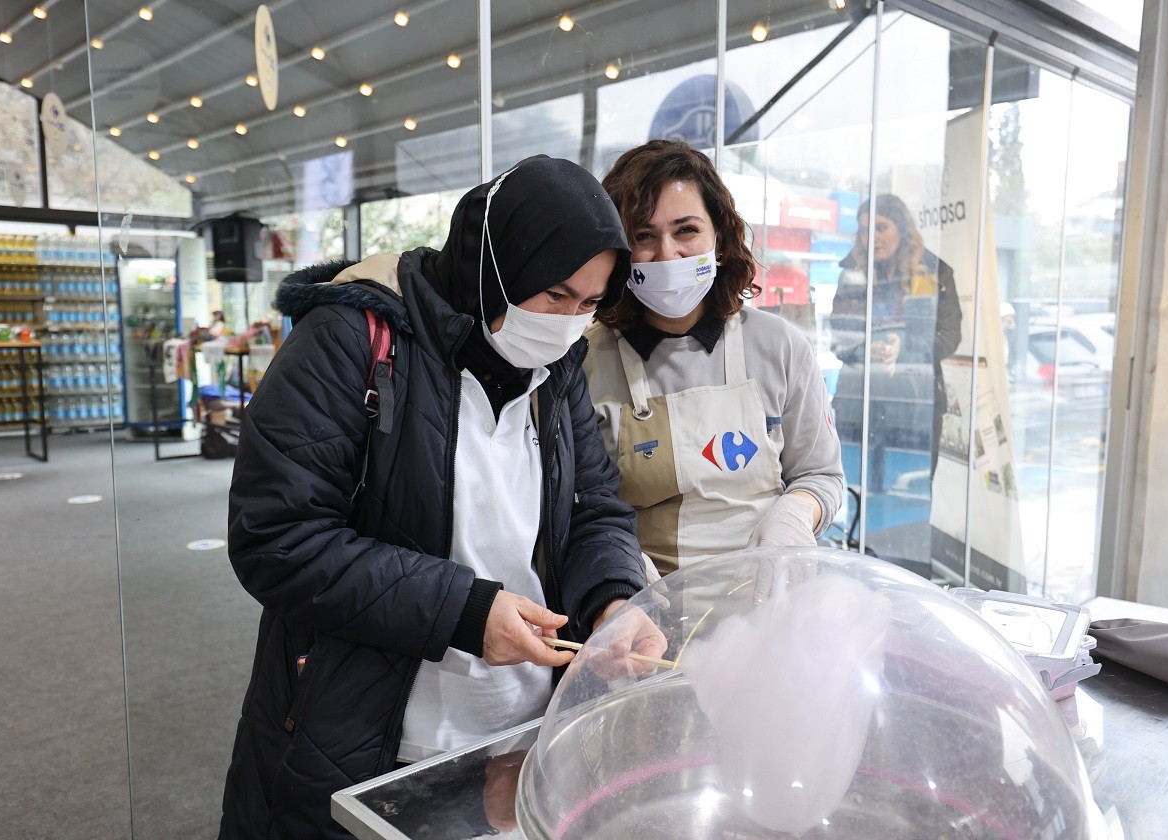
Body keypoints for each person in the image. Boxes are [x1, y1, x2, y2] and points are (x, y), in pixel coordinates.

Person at [219, 156, 665, 840]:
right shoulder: (350, 340)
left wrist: (611, 599)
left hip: (517, 731)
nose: (567, 323)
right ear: (495, 267)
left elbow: (593, 507)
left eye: (589, 304)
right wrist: (464, 609)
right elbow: (276, 536)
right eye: (553, 294)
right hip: (365, 731)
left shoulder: (557, 368)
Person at [582, 140, 844, 575]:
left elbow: (821, 475)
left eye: (686, 230)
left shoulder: (781, 347)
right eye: (644, 236)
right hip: (643, 611)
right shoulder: (587, 362)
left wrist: (795, 514)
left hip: (767, 597)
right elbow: (574, 505)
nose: (667, 254)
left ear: (718, 239)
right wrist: (616, 569)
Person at [829, 194, 962, 491]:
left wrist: (906, 351)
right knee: (856, 492)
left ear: (902, 229)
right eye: (864, 230)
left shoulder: (931, 273)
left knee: (906, 500)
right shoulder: (852, 275)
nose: (872, 238)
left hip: (914, 403)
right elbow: (838, 338)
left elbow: (950, 335)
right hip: (859, 401)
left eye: (881, 228)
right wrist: (866, 351)